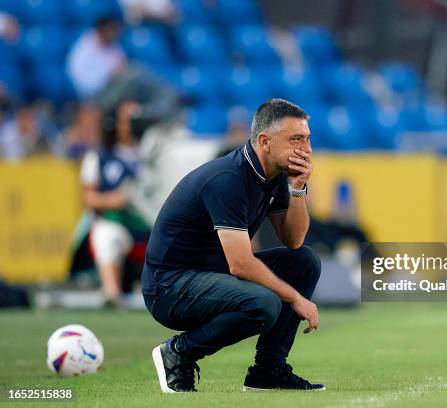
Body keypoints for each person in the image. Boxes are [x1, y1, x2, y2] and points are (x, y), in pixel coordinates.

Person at [142, 99, 324, 393]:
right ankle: (178, 352)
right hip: (169, 287)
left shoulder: (274, 176)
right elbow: (240, 263)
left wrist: (298, 188)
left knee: (304, 261)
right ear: (264, 142)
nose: (306, 148)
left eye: (307, 139)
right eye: (296, 139)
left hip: (211, 276)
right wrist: (294, 298)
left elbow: (294, 240)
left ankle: (268, 371)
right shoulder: (228, 178)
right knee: (264, 304)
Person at [80, 101, 150, 306]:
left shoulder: (153, 154)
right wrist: (115, 199)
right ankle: (112, 293)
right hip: (120, 223)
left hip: (153, 224)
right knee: (106, 234)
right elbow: (89, 198)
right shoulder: (100, 156)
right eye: (130, 120)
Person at [67, 14, 126, 100]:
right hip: (92, 96)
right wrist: (108, 75)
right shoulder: (84, 49)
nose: (114, 34)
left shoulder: (115, 47)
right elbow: (81, 81)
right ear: (102, 30)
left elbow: (122, 68)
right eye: (110, 30)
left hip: (113, 92)